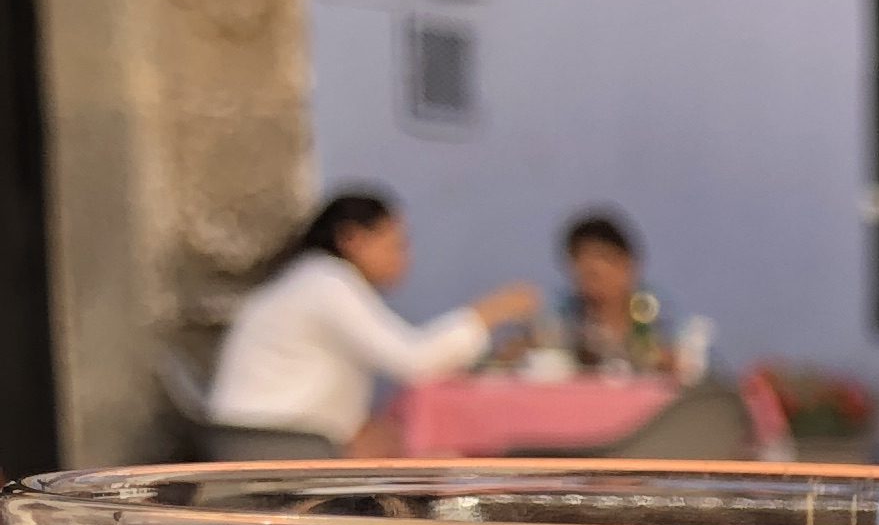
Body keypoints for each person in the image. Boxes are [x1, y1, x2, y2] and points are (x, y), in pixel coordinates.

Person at [206, 191, 535, 459]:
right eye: (395, 244)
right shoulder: (326, 283)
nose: (403, 258)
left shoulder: (313, 279)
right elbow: (414, 360)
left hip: (265, 436)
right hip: (275, 441)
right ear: (352, 238)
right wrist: (492, 311)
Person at [559, 212, 678, 373]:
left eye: (604, 259)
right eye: (582, 264)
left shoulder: (657, 315)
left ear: (628, 264)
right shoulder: (565, 317)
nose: (594, 271)